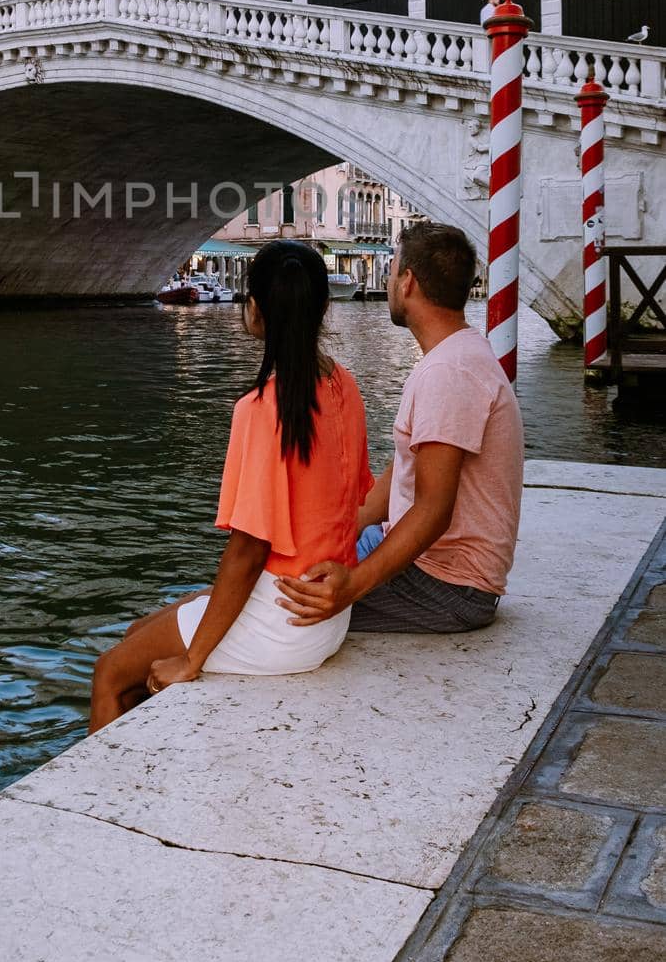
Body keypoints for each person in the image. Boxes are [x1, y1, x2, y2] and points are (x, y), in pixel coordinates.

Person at [89, 240, 372, 732]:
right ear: (324, 308)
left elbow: (248, 549)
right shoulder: (344, 385)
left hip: (280, 622)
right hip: (324, 617)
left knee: (110, 672)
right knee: (138, 634)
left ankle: (94, 801)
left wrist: (192, 661)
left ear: (255, 309)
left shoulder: (262, 408)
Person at [275, 223, 524, 635]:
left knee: (276, 611)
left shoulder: (449, 372)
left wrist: (351, 586)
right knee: (276, 574)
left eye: (392, 270)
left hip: (447, 586)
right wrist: (342, 531)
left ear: (407, 282)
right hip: (432, 569)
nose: (389, 281)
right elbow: (403, 472)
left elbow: (432, 510)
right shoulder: (455, 355)